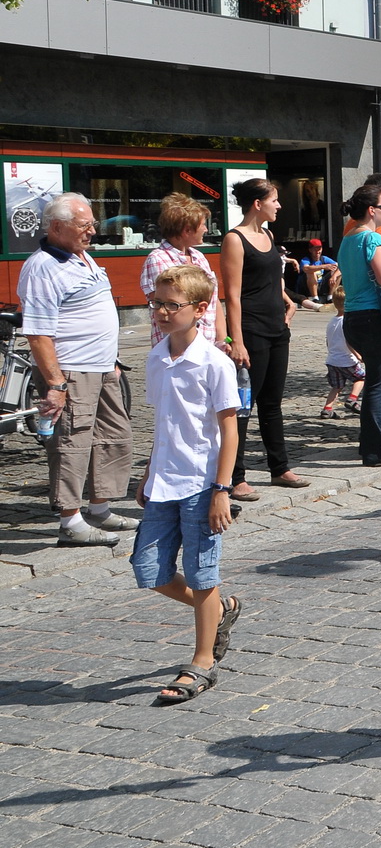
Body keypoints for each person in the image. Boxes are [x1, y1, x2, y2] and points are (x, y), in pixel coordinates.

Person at [132, 264, 242, 704]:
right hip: (163, 480)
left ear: (200, 309)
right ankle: (221, 609)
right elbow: (164, 425)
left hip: (201, 484)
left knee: (201, 574)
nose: (159, 311)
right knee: (148, 569)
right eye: (155, 303)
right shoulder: (156, 358)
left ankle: (201, 661)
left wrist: (222, 490)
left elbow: (229, 430)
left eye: (170, 305)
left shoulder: (214, 362)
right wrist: (147, 472)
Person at [21, 193, 137, 546]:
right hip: (71, 370)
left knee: (113, 436)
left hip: (101, 367)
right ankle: (70, 520)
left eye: (92, 224)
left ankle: (99, 508)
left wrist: (112, 360)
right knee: (72, 443)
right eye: (84, 225)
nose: (92, 231)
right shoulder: (42, 266)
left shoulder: (81, 256)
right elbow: (38, 333)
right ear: (57, 227)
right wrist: (55, 383)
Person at [219, 178, 305, 496]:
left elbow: (271, 278)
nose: (279, 205)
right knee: (243, 404)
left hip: (276, 328)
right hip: (251, 329)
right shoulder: (235, 239)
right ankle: (235, 475)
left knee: (272, 403)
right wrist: (236, 341)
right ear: (258, 204)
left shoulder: (268, 234)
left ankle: (279, 468)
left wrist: (287, 299)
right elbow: (232, 295)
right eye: (275, 200)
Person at [337, 183, 381, 466]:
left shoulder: (348, 239)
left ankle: (371, 445)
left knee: (374, 384)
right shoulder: (372, 239)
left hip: (353, 318)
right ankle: (376, 450)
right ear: (371, 210)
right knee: (379, 386)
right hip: (375, 318)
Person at [141, 192, 221, 346]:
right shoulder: (158, 259)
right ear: (187, 230)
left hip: (207, 344)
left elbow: (213, 301)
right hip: (178, 347)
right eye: (203, 224)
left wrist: (222, 340)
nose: (205, 229)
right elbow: (165, 307)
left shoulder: (199, 256)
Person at [320, 285, 363, 417]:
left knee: (337, 386)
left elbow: (328, 340)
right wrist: (359, 355)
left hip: (332, 360)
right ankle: (353, 399)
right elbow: (349, 341)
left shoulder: (332, 321)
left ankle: (327, 408)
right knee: (361, 378)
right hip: (347, 359)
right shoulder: (347, 321)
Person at [299, 239, 339, 305]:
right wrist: (323, 266)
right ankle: (315, 298)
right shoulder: (306, 259)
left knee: (337, 272)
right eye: (315, 249)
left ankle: (330, 297)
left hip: (322, 284)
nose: (318, 252)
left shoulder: (324, 258)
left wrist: (334, 276)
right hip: (308, 286)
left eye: (319, 249)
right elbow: (306, 268)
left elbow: (340, 267)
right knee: (311, 272)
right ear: (310, 250)